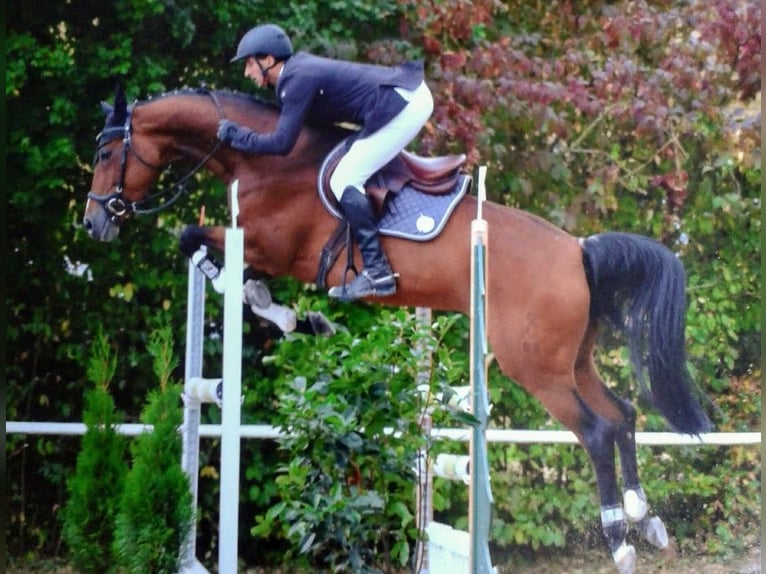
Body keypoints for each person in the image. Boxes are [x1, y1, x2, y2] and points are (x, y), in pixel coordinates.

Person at [217, 23, 434, 301]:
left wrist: (238, 135)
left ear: (268, 60)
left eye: (249, 63)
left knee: (343, 178)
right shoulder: (295, 75)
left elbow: (282, 144)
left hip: (404, 105)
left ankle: (378, 271)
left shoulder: (296, 79)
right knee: (343, 167)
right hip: (402, 98)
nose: (247, 72)